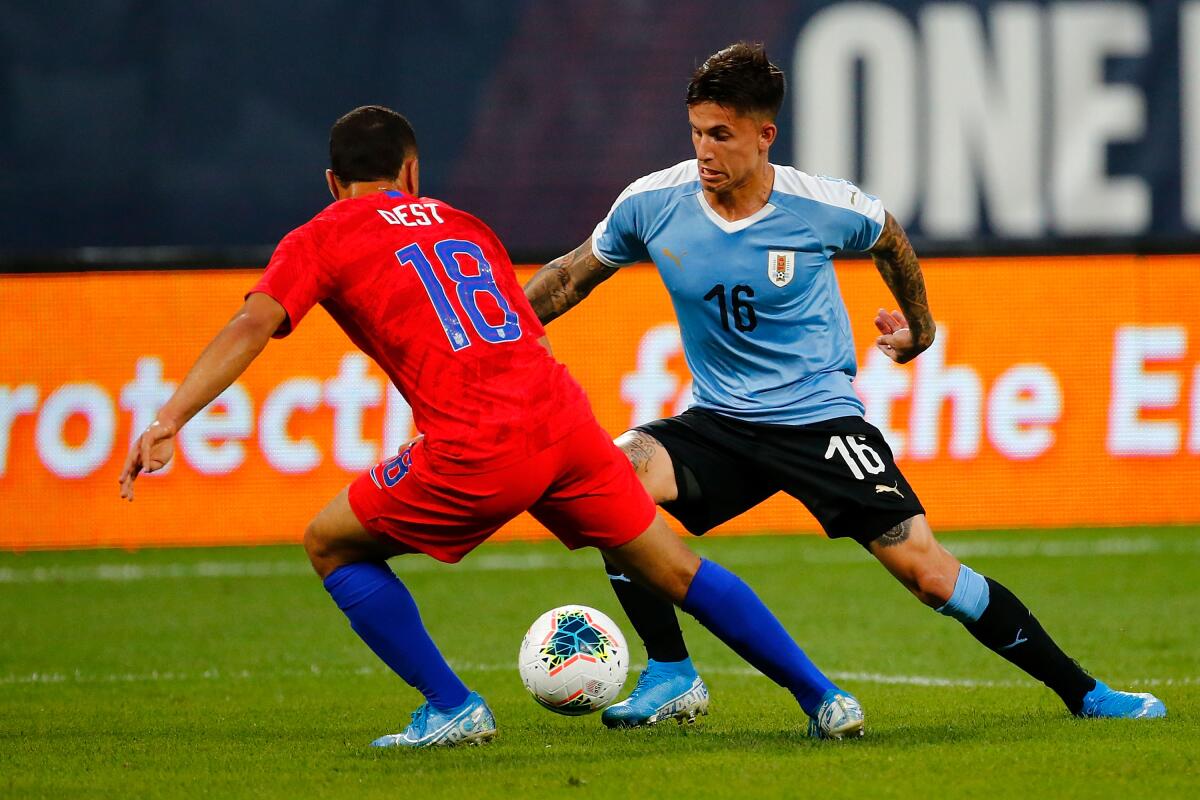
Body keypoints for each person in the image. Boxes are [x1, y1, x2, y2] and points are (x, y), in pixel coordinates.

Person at [118, 104, 868, 748]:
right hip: (562, 420)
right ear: (413, 172)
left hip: (478, 443)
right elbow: (510, 328)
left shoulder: (322, 233)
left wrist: (170, 417)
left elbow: (256, 322)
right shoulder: (463, 223)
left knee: (330, 543)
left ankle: (452, 708)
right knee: (672, 566)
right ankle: (824, 698)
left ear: (331, 182)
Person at [524, 43, 1167, 729]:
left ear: (764, 134)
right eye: (695, 132)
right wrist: (489, 338)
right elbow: (566, 277)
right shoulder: (653, 203)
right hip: (719, 420)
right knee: (609, 485)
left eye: (721, 134)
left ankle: (1085, 694)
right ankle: (674, 673)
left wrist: (918, 332)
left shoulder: (818, 206)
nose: (705, 151)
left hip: (819, 421)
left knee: (928, 574)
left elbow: (889, 238)